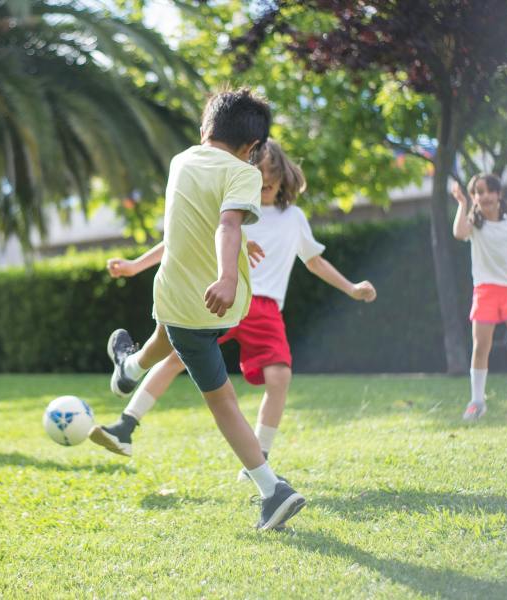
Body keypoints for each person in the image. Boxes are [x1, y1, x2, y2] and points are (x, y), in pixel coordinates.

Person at [92, 140, 377, 483]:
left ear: (285, 175)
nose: (265, 177)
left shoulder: (294, 218)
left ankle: (259, 458)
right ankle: (125, 426)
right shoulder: (233, 209)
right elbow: (178, 241)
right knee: (175, 357)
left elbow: (315, 261)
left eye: (272, 171)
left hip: (266, 309)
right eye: (258, 170)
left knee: (279, 378)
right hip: (224, 301)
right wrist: (136, 266)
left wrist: (351, 288)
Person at [100, 89, 306, 531]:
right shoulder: (243, 173)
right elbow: (224, 223)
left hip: (177, 297)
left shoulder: (180, 162)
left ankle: (127, 370)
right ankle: (272, 491)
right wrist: (229, 276)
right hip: (214, 306)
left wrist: (229, 260)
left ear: (205, 129)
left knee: (180, 356)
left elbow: (200, 223)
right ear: (253, 149)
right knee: (199, 376)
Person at [452, 174, 507, 422]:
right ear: (474, 198)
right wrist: (462, 204)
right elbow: (459, 233)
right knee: (481, 347)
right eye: (479, 192)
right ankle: (477, 402)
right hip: (484, 293)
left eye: (490, 191)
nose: (485, 196)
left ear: (499, 195)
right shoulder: (474, 225)